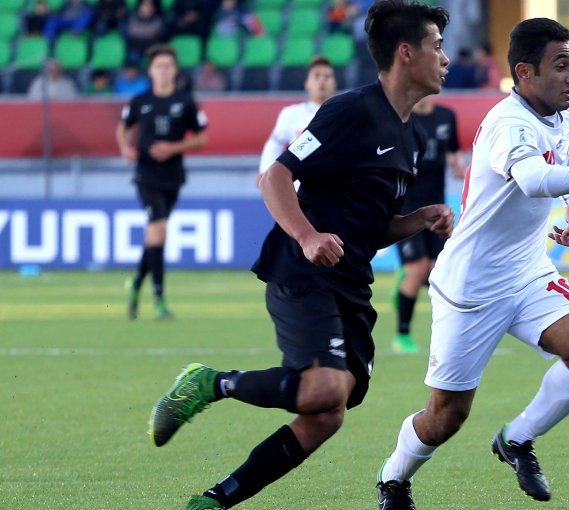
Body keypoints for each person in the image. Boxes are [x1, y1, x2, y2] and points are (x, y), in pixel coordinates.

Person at [147, 2, 452, 509]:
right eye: (436, 47)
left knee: (328, 413)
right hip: (302, 268)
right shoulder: (350, 110)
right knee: (323, 391)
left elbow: (369, 231)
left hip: (350, 283)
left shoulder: (411, 138)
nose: (445, 59)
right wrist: (308, 235)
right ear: (406, 53)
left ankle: (214, 502)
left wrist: (418, 220)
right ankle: (209, 382)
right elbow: (275, 177)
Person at [376, 17, 569, 508]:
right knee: (445, 417)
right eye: (561, 66)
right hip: (471, 288)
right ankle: (393, 478)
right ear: (525, 73)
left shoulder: (566, 108)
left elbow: (558, 164)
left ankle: (517, 439)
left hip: (527, 272)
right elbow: (533, 178)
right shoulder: (507, 124)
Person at [117, 44, 208, 321]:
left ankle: (135, 283)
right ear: (151, 70)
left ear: (175, 70)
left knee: (154, 235)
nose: (164, 70)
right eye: (159, 66)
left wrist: (174, 147)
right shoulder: (139, 101)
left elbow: (202, 137)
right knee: (159, 230)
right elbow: (123, 127)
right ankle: (159, 299)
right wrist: (125, 147)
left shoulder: (186, 101)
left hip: (173, 176)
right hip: (146, 175)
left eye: (168, 65)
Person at [392, 94, 464, 353]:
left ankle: (403, 284)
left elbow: (453, 151)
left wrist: (458, 166)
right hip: (406, 207)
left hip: (436, 208)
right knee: (418, 269)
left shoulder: (447, 116)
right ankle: (402, 336)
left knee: (437, 272)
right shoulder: (402, 117)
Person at [256, 56, 337, 188]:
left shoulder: (345, 113)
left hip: (333, 188)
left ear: (334, 83)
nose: (322, 80)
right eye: (317, 76)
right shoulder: (291, 114)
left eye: (327, 76)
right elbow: (274, 144)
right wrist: (265, 171)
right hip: (298, 190)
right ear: (307, 83)